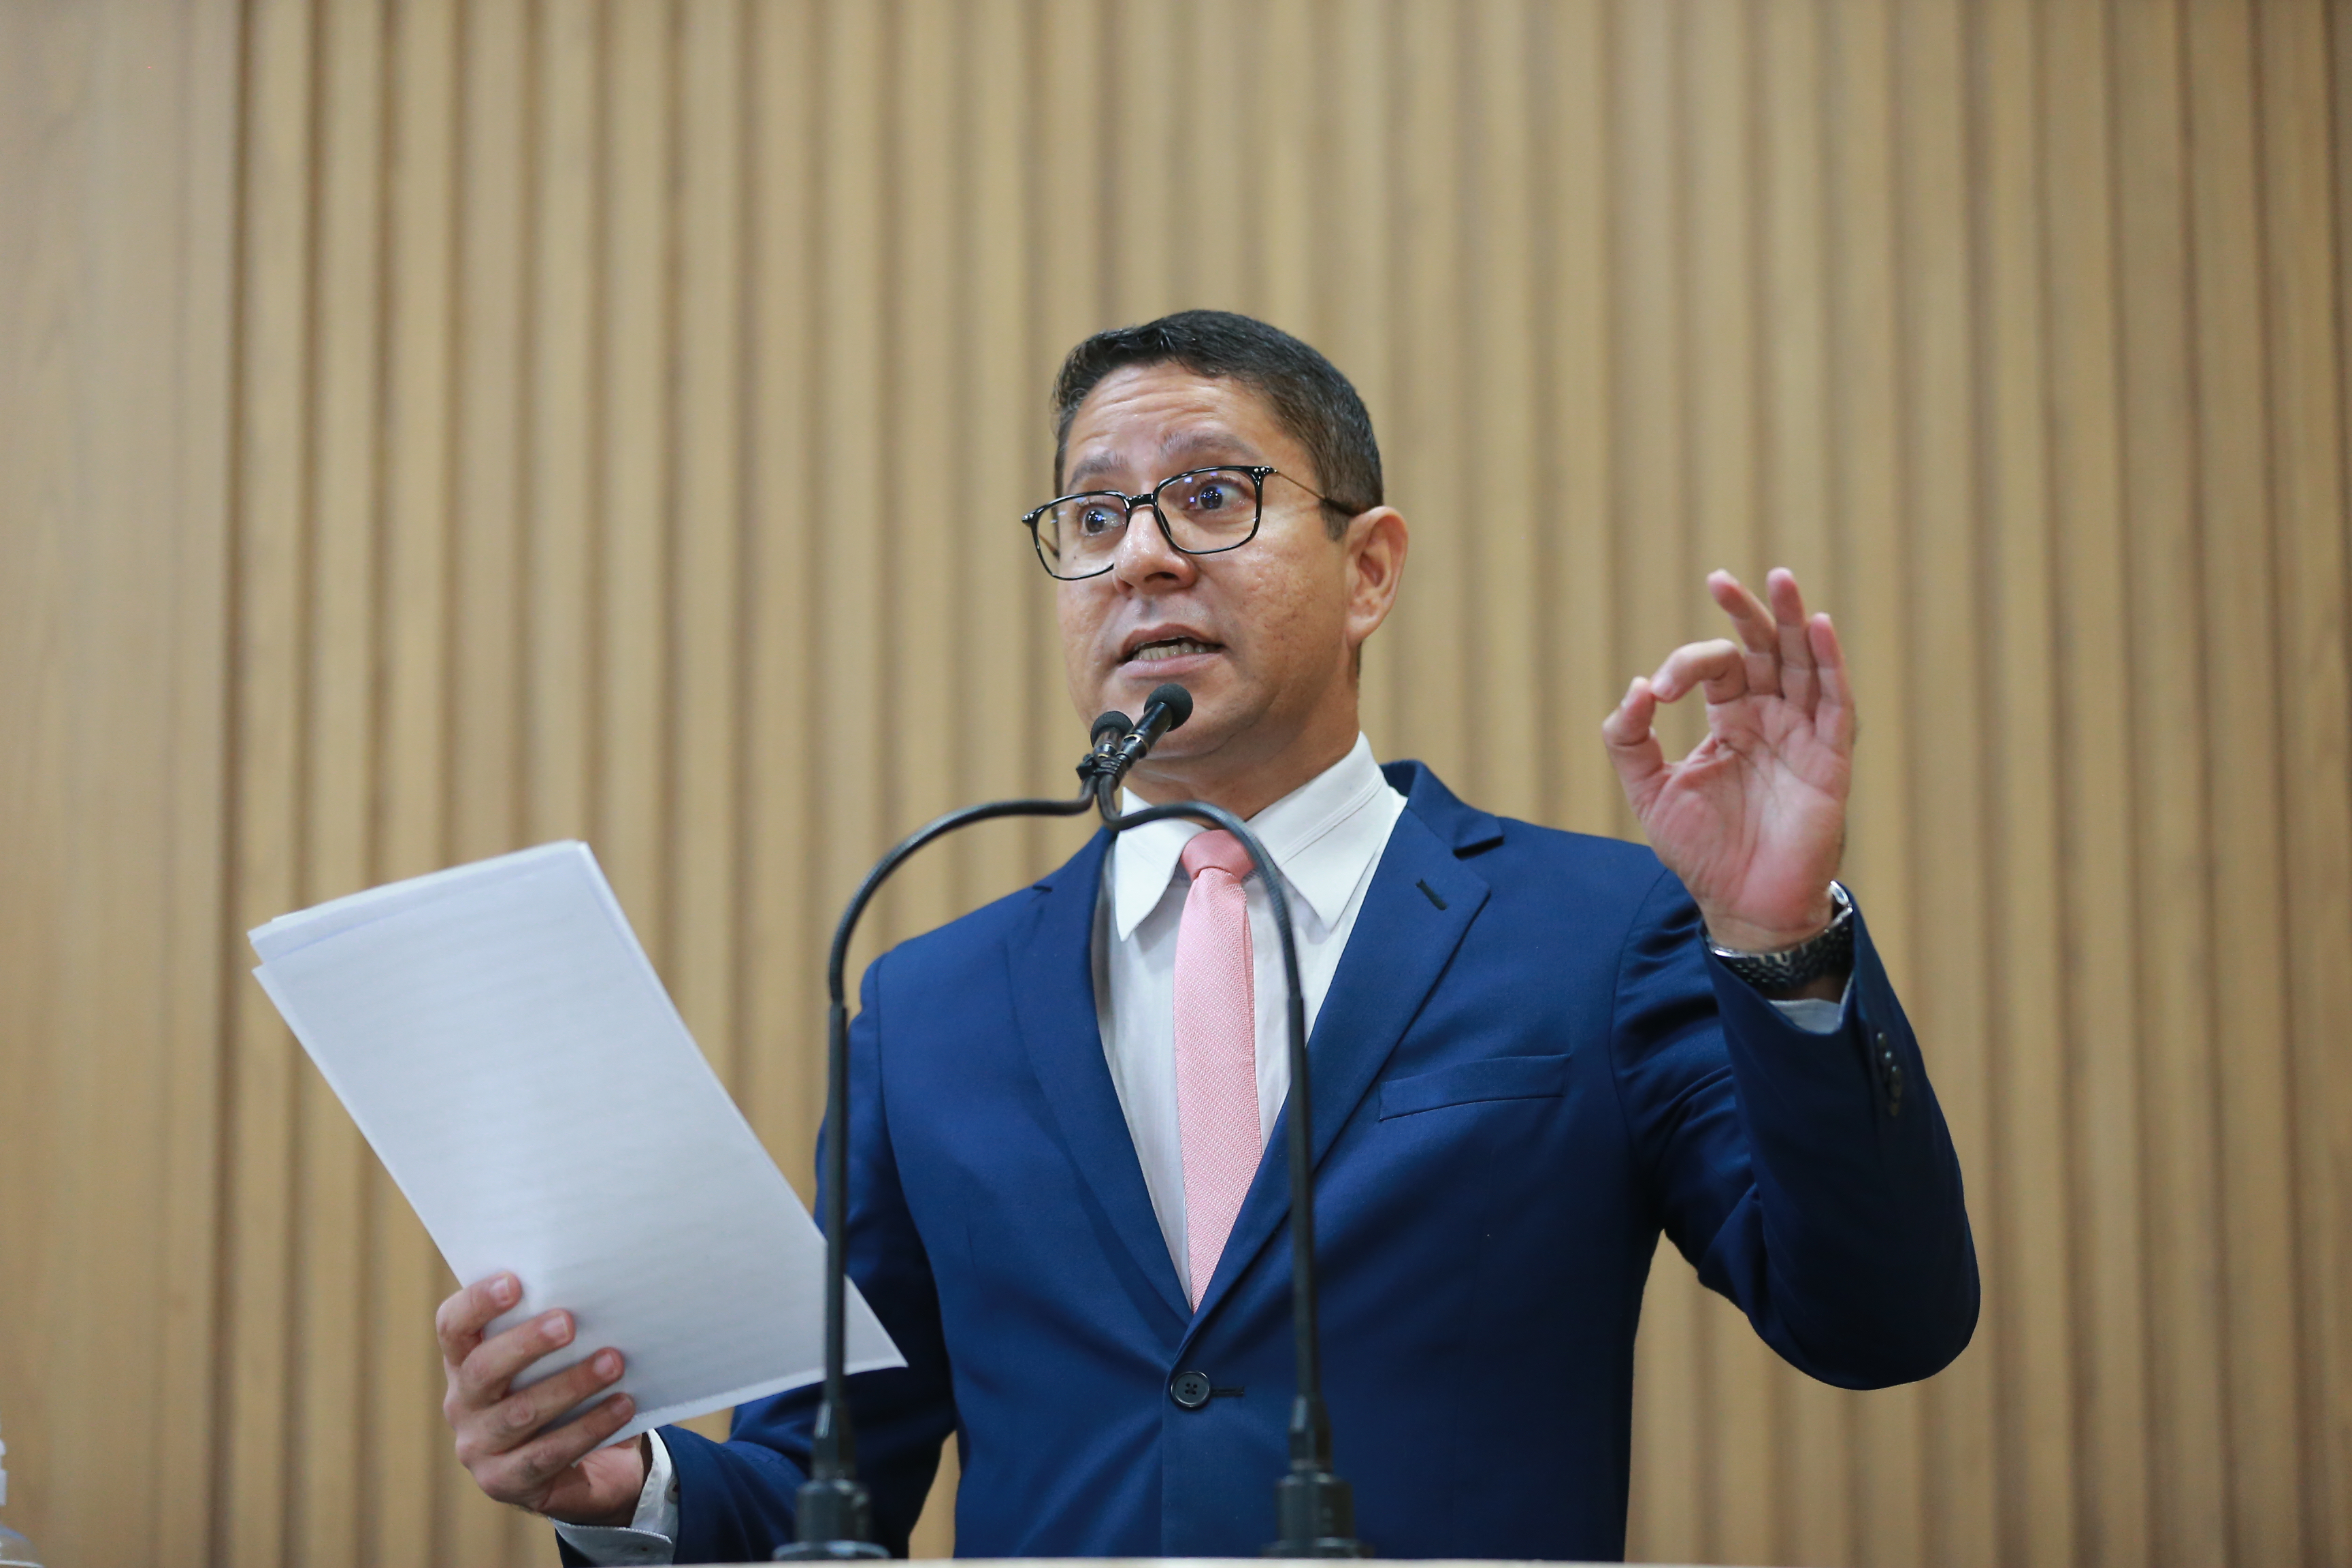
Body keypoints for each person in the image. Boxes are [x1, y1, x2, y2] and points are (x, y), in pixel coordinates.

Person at [436, 310, 1976, 1563]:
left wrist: (1780, 942)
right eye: (1095, 514)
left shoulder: (1591, 931)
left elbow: (1879, 1321)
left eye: (1213, 497)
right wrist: (630, 1491)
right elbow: (820, 1496)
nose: (1142, 558)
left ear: (1369, 569)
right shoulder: (929, 1007)